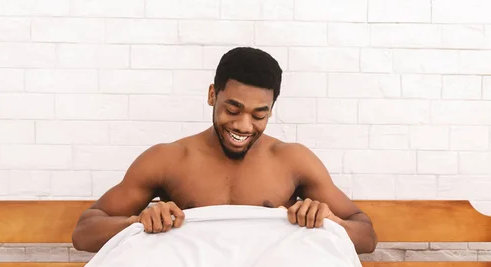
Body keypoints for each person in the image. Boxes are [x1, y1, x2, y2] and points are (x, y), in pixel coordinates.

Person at [72, 47, 378, 255]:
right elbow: (84, 232)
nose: (244, 126)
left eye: (259, 115)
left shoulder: (292, 160)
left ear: (271, 110)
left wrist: (331, 222)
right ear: (211, 95)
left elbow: (366, 236)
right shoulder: (167, 160)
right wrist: (136, 221)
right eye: (233, 109)